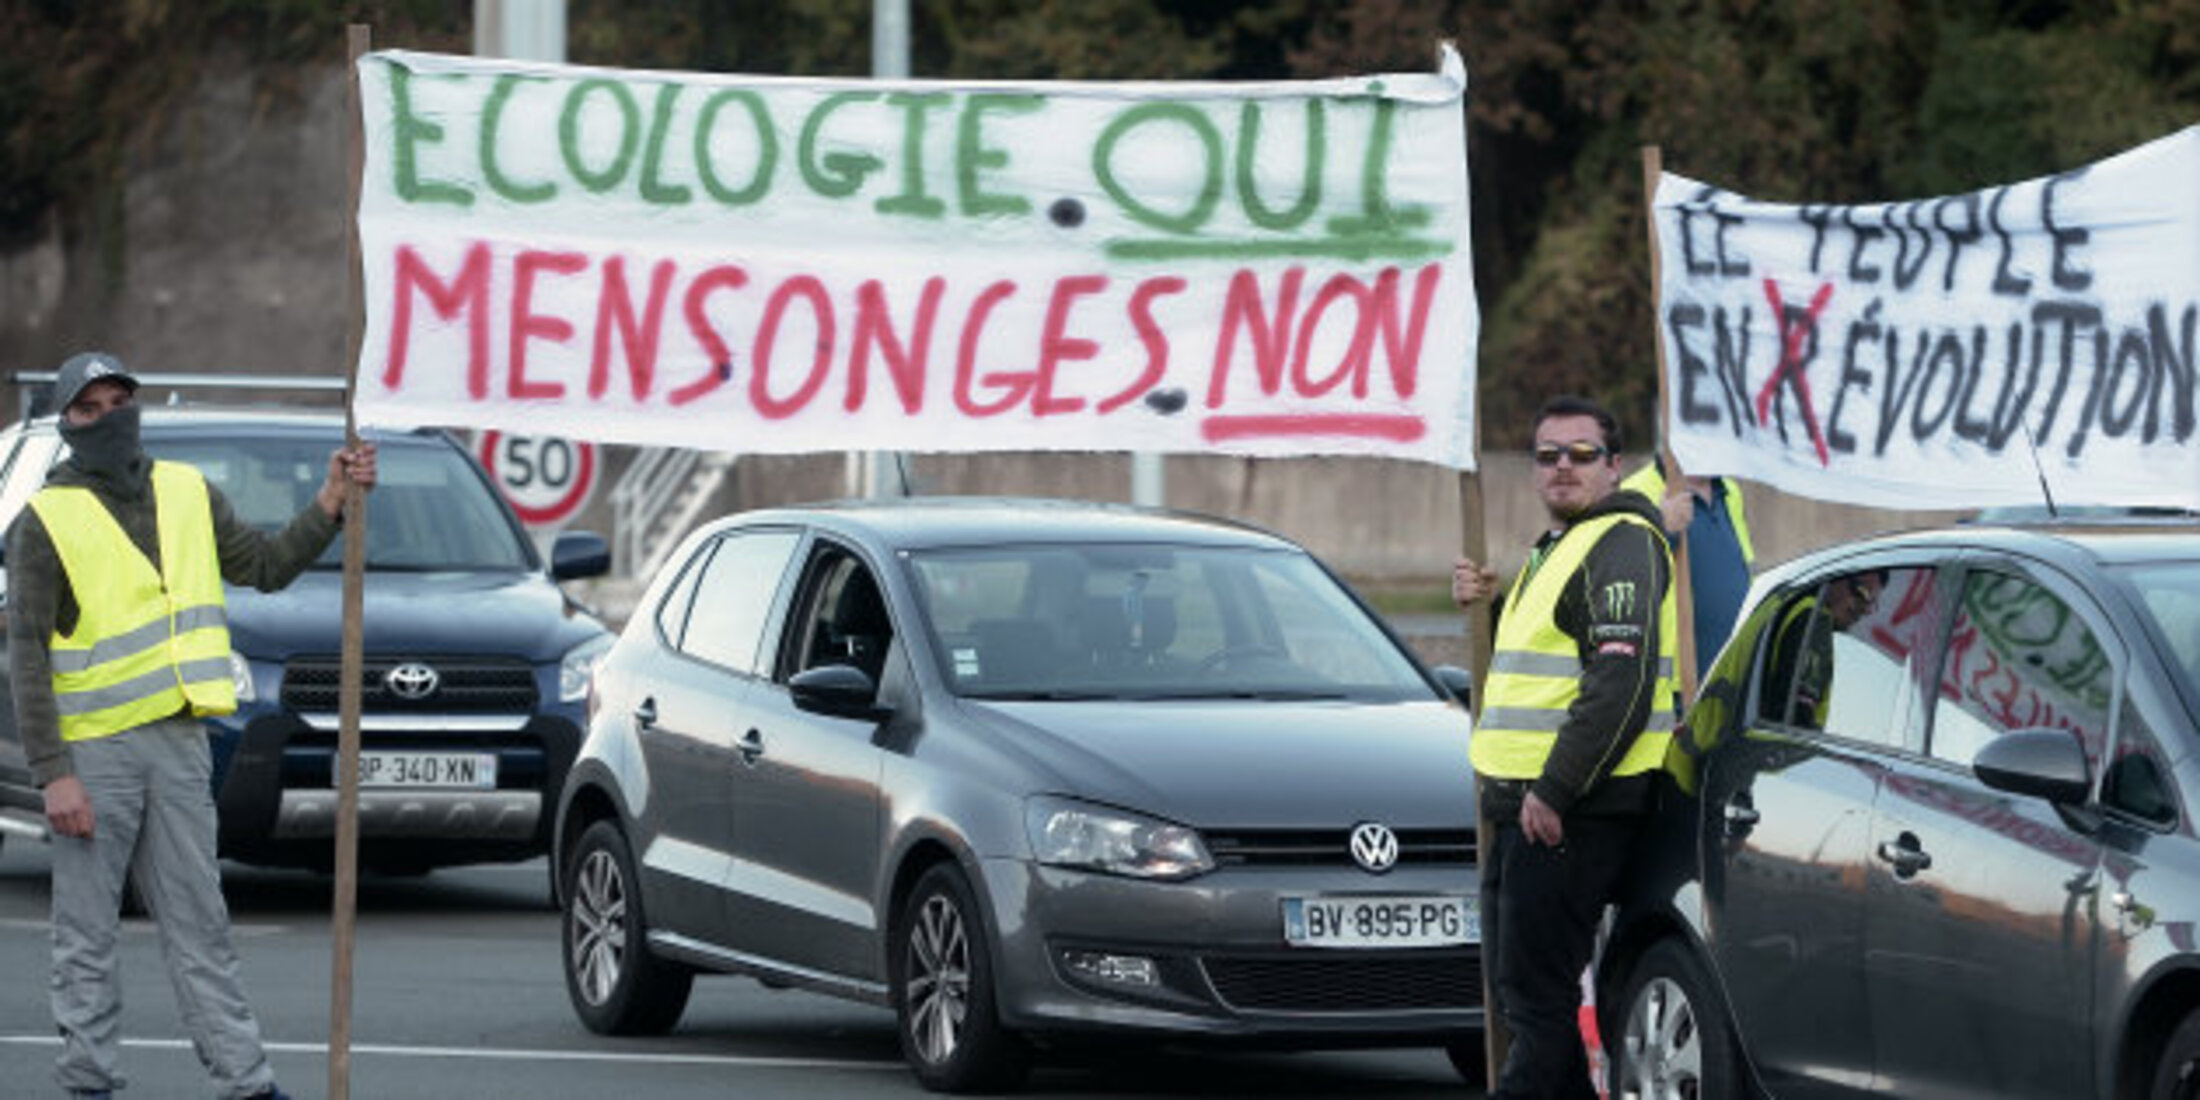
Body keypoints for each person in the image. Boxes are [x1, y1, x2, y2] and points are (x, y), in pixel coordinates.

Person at [7, 351, 378, 1100]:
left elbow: (266, 566)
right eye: (89, 408)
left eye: (119, 402)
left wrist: (331, 500)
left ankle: (245, 1083)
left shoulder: (187, 491)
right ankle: (89, 1084)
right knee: (87, 933)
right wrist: (54, 775)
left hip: (180, 746)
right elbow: (26, 657)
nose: (109, 418)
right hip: (94, 754)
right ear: (67, 423)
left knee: (201, 925)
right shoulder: (45, 519)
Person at [1451, 394, 1677, 1100]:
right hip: (1526, 809)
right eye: (1547, 455)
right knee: (1526, 995)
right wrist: (1487, 605)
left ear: (1615, 465)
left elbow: (1618, 683)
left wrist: (1555, 789)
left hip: (1568, 811)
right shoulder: (1562, 545)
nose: (1563, 467)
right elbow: (1542, 666)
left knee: (1536, 1002)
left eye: (1582, 454)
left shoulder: (1621, 542)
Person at [1620, 459, 1753, 681]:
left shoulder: (1730, 491)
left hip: (1731, 678)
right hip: (1674, 688)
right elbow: (1625, 585)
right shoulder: (1633, 494)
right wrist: (1663, 530)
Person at [1762, 570, 1885, 729]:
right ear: (1835, 577)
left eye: (1871, 603)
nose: (1865, 609)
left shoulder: (1783, 607)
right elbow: (1797, 721)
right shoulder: (1814, 619)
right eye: (1862, 592)